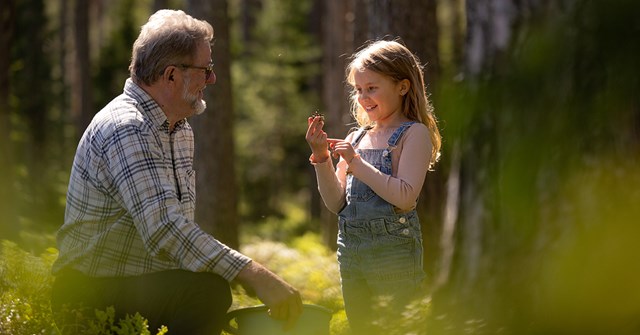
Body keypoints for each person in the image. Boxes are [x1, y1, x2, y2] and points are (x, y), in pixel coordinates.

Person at [51, 9, 302, 335]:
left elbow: (174, 231)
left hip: (132, 284)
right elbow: (164, 228)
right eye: (206, 70)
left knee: (207, 289)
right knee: (205, 292)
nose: (211, 79)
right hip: (87, 293)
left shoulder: (179, 130)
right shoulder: (129, 128)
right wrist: (252, 273)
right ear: (171, 75)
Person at [305, 39, 441, 333]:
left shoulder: (413, 134)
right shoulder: (356, 137)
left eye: (372, 88)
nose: (363, 97)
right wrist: (321, 157)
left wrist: (356, 164)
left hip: (394, 252)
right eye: (358, 89)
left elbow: (404, 197)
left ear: (402, 87)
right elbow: (336, 203)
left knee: (397, 326)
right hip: (351, 251)